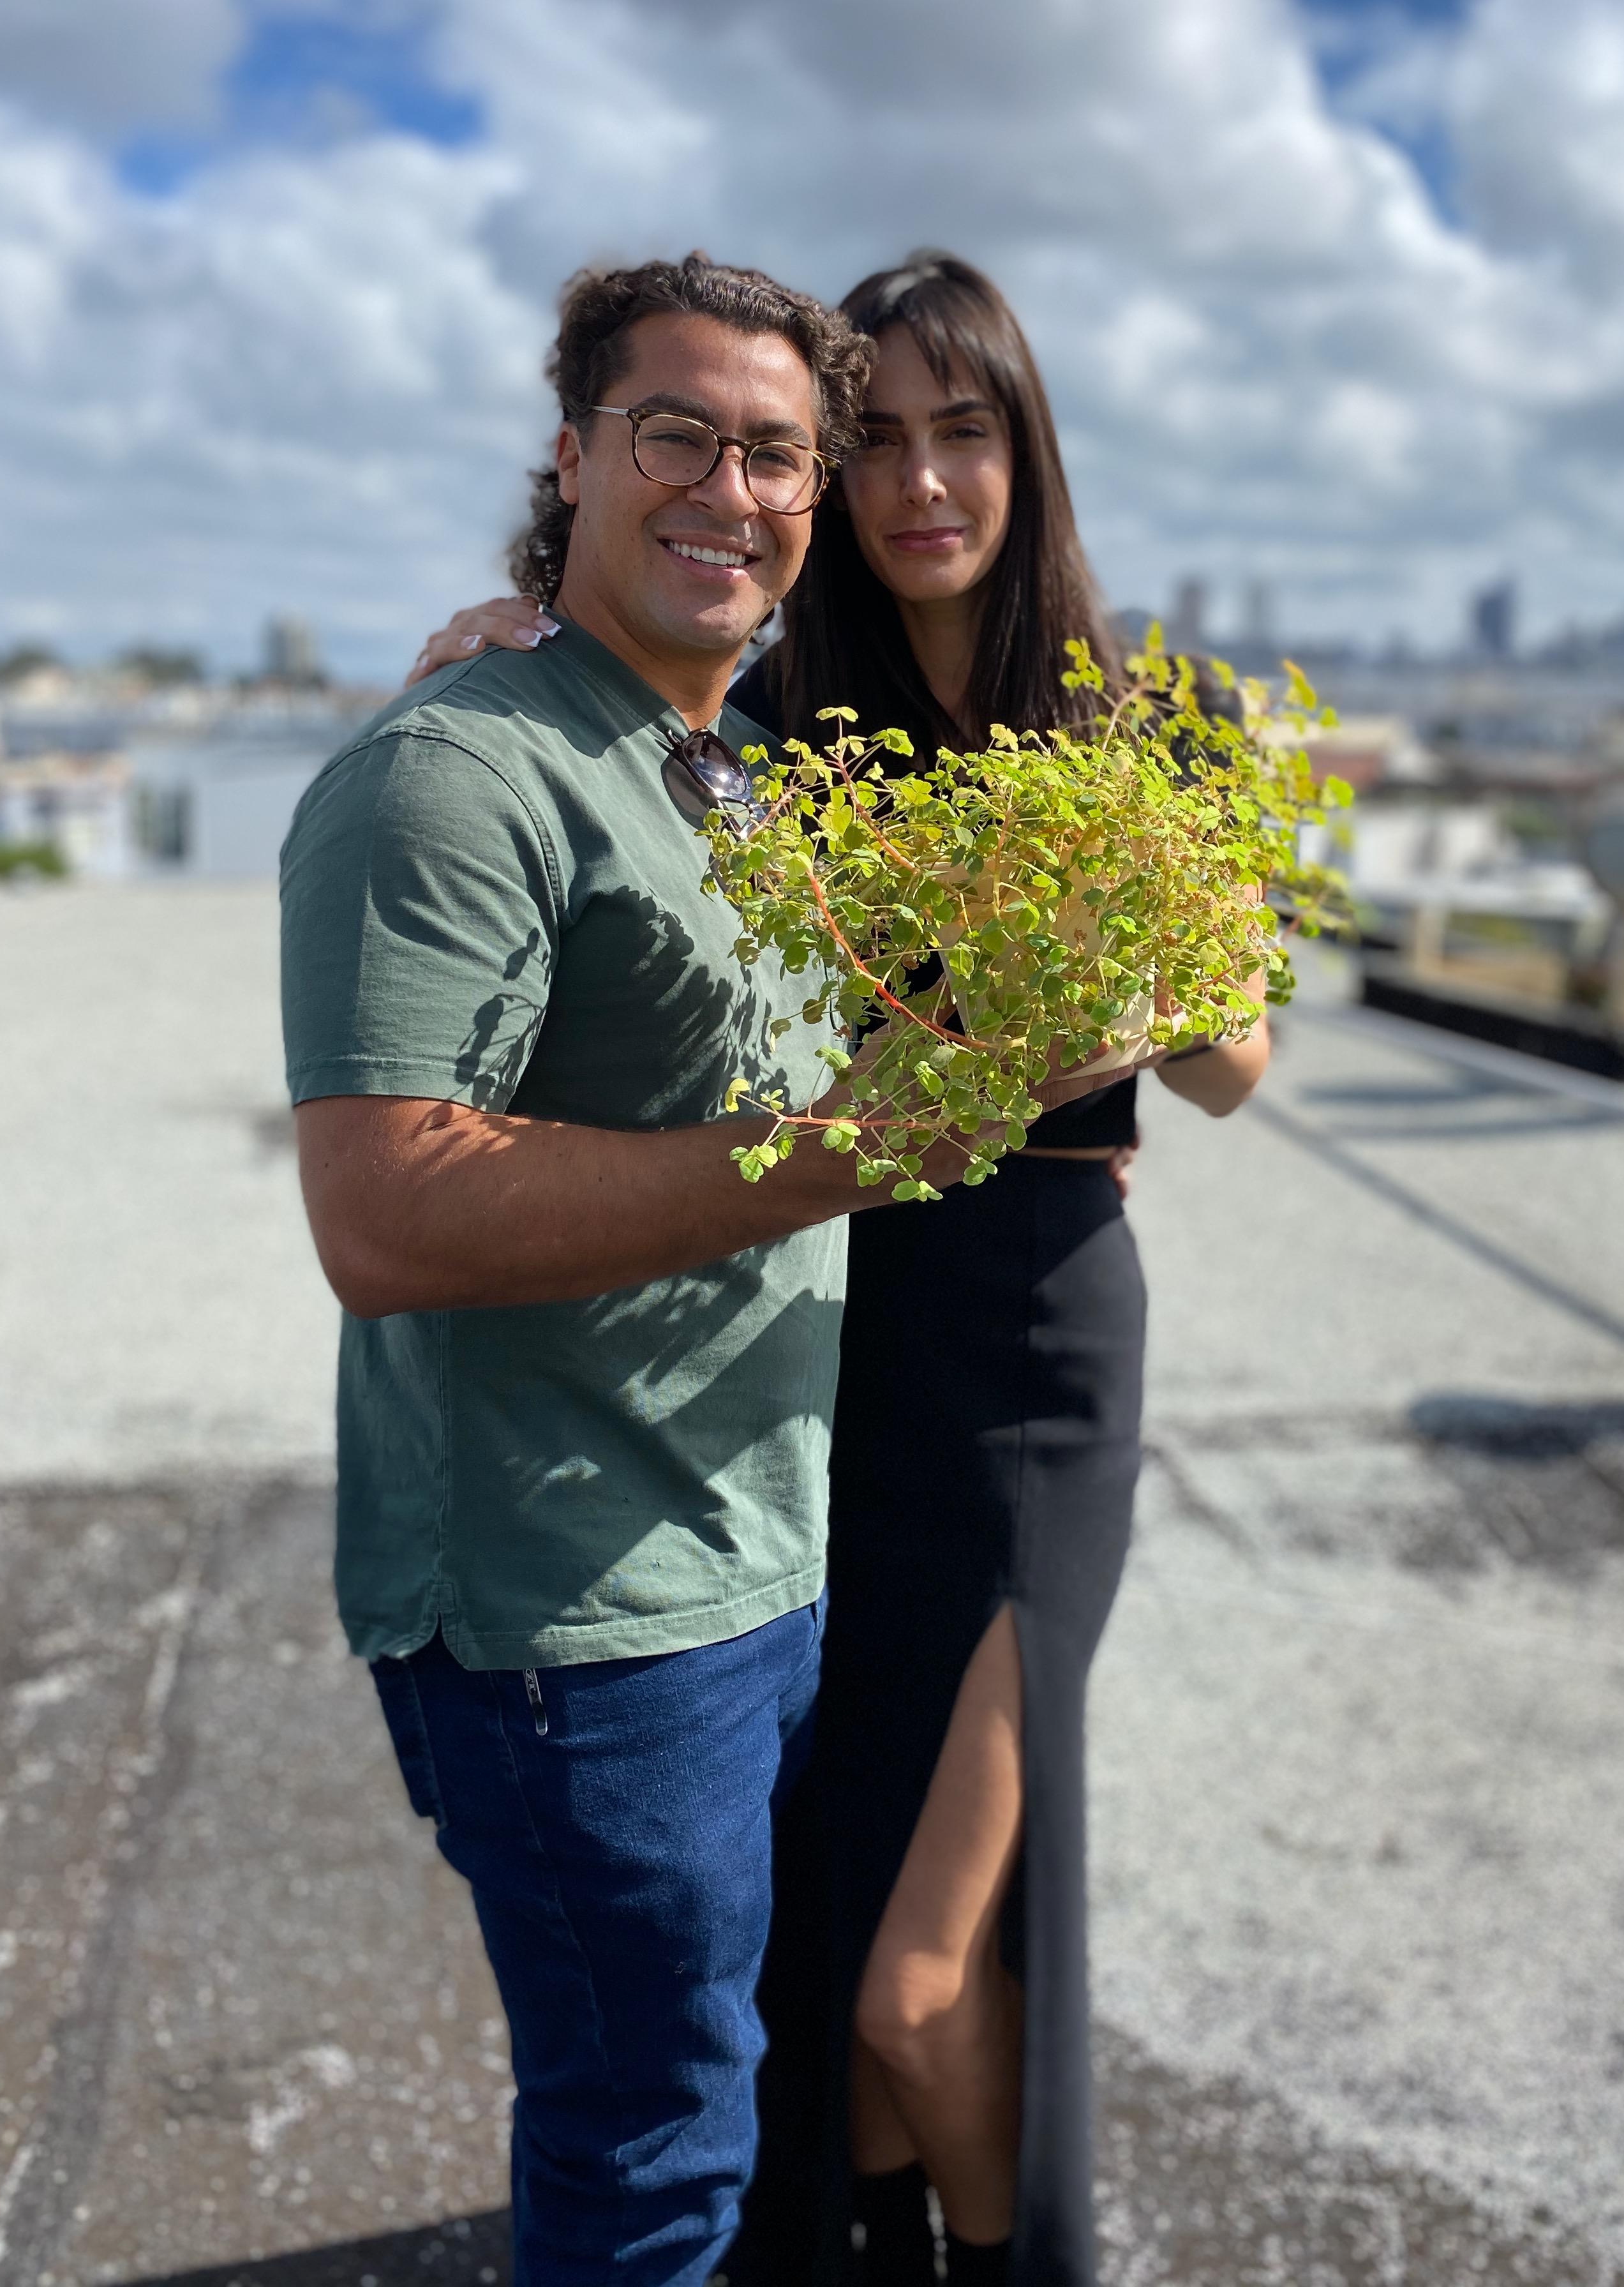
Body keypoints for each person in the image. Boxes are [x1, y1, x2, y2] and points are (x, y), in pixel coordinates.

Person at [410, 251, 1271, 2287]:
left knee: (914, 1972)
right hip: (820, 1349)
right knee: (827, 1933)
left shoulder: (1156, 718)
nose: (917, 481)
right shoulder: (783, 716)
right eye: (870, 438)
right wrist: (511, 639)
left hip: (1039, 1355)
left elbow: (1240, 1064)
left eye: (961, 431)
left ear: (1025, 448)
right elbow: (617, 740)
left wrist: (1143, 986)